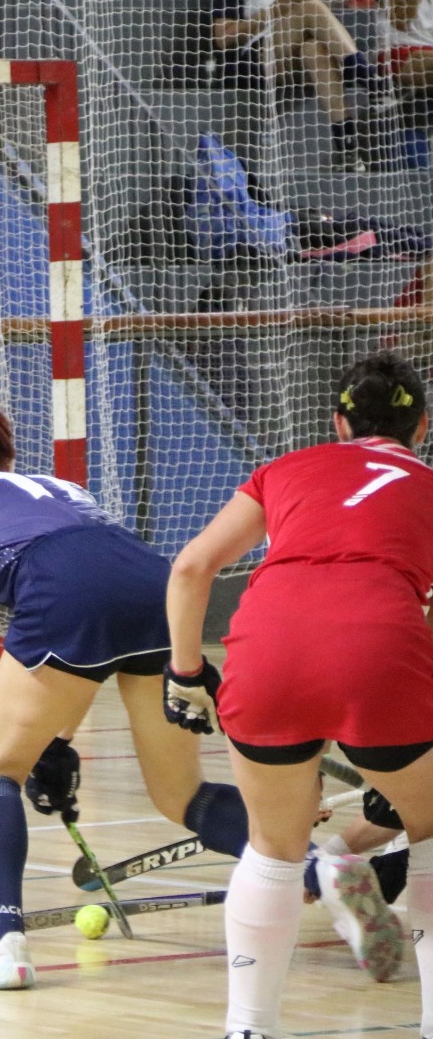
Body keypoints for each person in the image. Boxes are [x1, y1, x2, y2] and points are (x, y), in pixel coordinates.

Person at [0, 386, 255, 990]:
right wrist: (56, 741)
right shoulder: (63, 488)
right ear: (3, 444)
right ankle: (320, 869)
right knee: (182, 795)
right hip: (155, 587)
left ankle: (2, 945)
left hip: (64, 588)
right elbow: (91, 641)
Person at [164, 350, 432, 1039]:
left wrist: (186, 674)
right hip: (379, 643)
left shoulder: (284, 469)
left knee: (273, 850)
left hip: (267, 643)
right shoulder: (427, 485)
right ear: (421, 428)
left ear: (338, 423)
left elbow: (192, 567)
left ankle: (249, 1027)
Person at [211, 0, 399, 170]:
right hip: (257, 58)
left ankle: (348, 148)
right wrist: (273, 11)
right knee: (310, 8)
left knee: (314, 48)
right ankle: (370, 80)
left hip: (295, 56)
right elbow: (223, 38)